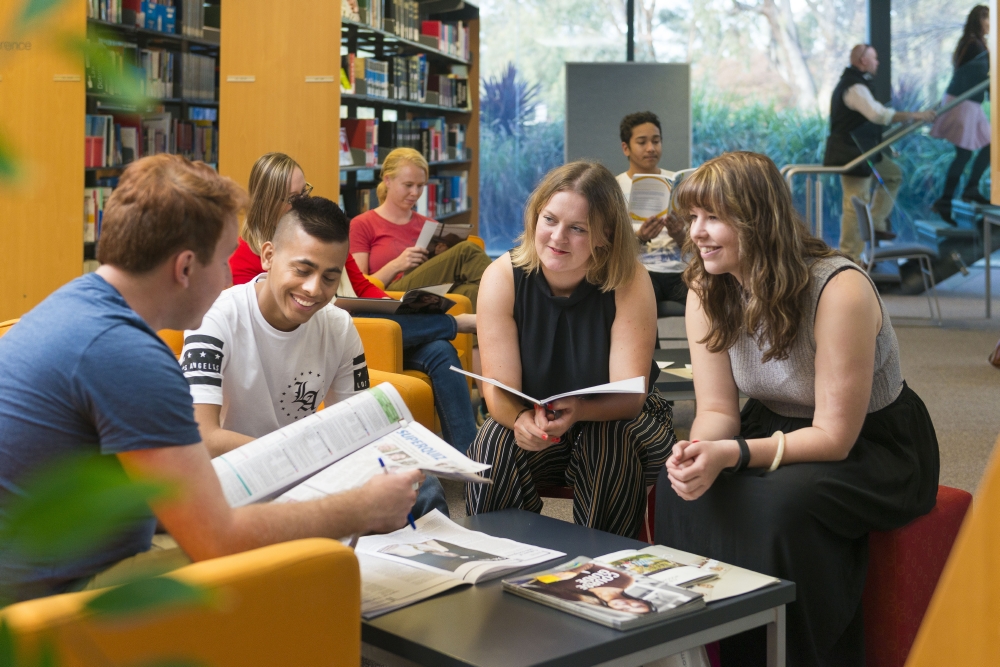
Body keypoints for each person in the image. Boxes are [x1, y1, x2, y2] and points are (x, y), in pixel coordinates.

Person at [0, 155, 423, 602]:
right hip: (47, 598)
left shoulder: (78, 306)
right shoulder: (127, 356)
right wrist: (361, 508)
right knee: (299, 563)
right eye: (224, 261)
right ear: (185, 268)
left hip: (52, 559)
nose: (230, 277)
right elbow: (217, 539)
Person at [656, 152, 940, 666]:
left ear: (757, 218)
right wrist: (701, 449)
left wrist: (734, 454)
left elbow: (834, 437)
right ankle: (696, 653)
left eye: (712, 217)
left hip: (871, 443)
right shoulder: (706, 286)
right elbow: (719, 408)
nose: (696, 232)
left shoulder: (839, 288)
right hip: (775, 424)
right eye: (692, 217)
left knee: (776, 506)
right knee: (677, 490)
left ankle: (788, 655)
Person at [183, 195, 448, 516]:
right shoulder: (217, 317)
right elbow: (205, 438)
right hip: (238, 475)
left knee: (420, 484)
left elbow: (357, 430)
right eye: (302, 269)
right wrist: (298, 455)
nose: (313, 289)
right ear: (268, 256)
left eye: (329, 278)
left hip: (309, 473)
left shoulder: (338, 326)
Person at [465, 161, 675, 539]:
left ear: (604, 236)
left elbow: (628, 399)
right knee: (494, 439)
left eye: (577, 228)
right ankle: (497, 561)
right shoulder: (502, 276)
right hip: (538, 420)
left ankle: (603, 570)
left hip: (625, 423)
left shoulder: (629, 280)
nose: (557, 237)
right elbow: (496, 387)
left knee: (606, 439)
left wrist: (579, 411)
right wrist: (519, 421)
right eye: (550, 219)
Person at [230, 152, 478, 454]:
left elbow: (361, 286)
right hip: (321, 334)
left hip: (358, 323)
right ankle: (455, 324)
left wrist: (397, 306)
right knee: (414, 334)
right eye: (292, 199)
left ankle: (470, 460)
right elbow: (271, 318)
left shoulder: (323, 237)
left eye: (304, 192)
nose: (302, 205)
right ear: (267, 202)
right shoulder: (245, 257)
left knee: (440, 350)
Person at [823, 44, 936, 260]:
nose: (878, 63)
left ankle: (874, 222)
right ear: (863, 60)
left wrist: (886, 145)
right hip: (852, 152)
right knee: (855, 201)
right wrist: (916, 115)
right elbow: (878, 115)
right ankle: (849, 257)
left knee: (892, 174)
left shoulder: (859, 83)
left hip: (864, 150)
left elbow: (866, 123)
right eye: (874, 58)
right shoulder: (854, 87)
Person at [349, 148, 491, 311]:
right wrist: (397, 265)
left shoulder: (430, 225)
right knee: (467, 250)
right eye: (408, 185)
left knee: (470, 291)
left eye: (420, 186)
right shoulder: (362, 224)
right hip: (389, 297)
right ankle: (515, 298)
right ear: (387, 180)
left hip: (428, 296)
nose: (415, 193)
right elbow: (356, 289)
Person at [616, 111, 688, 307]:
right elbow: (609, 244)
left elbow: (695, 240)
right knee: (639, 309)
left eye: (656, 141)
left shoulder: (678, 182)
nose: (651, 148)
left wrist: (680, 235)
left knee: (711, 302)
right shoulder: (614, 189)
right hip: (640, 272)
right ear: (626, 148)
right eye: (642, 142)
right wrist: (639, 237)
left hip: (679, 271)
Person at [931, 5, 991, 224]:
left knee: (986, 146)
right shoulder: (975, 45)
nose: (991, 24)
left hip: (968, 104)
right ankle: (951, 198)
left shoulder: (973, 43)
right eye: (989, 19)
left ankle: (962, 193)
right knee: (966, 153)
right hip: (963, 104)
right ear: (979, 20)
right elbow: (983, 75)